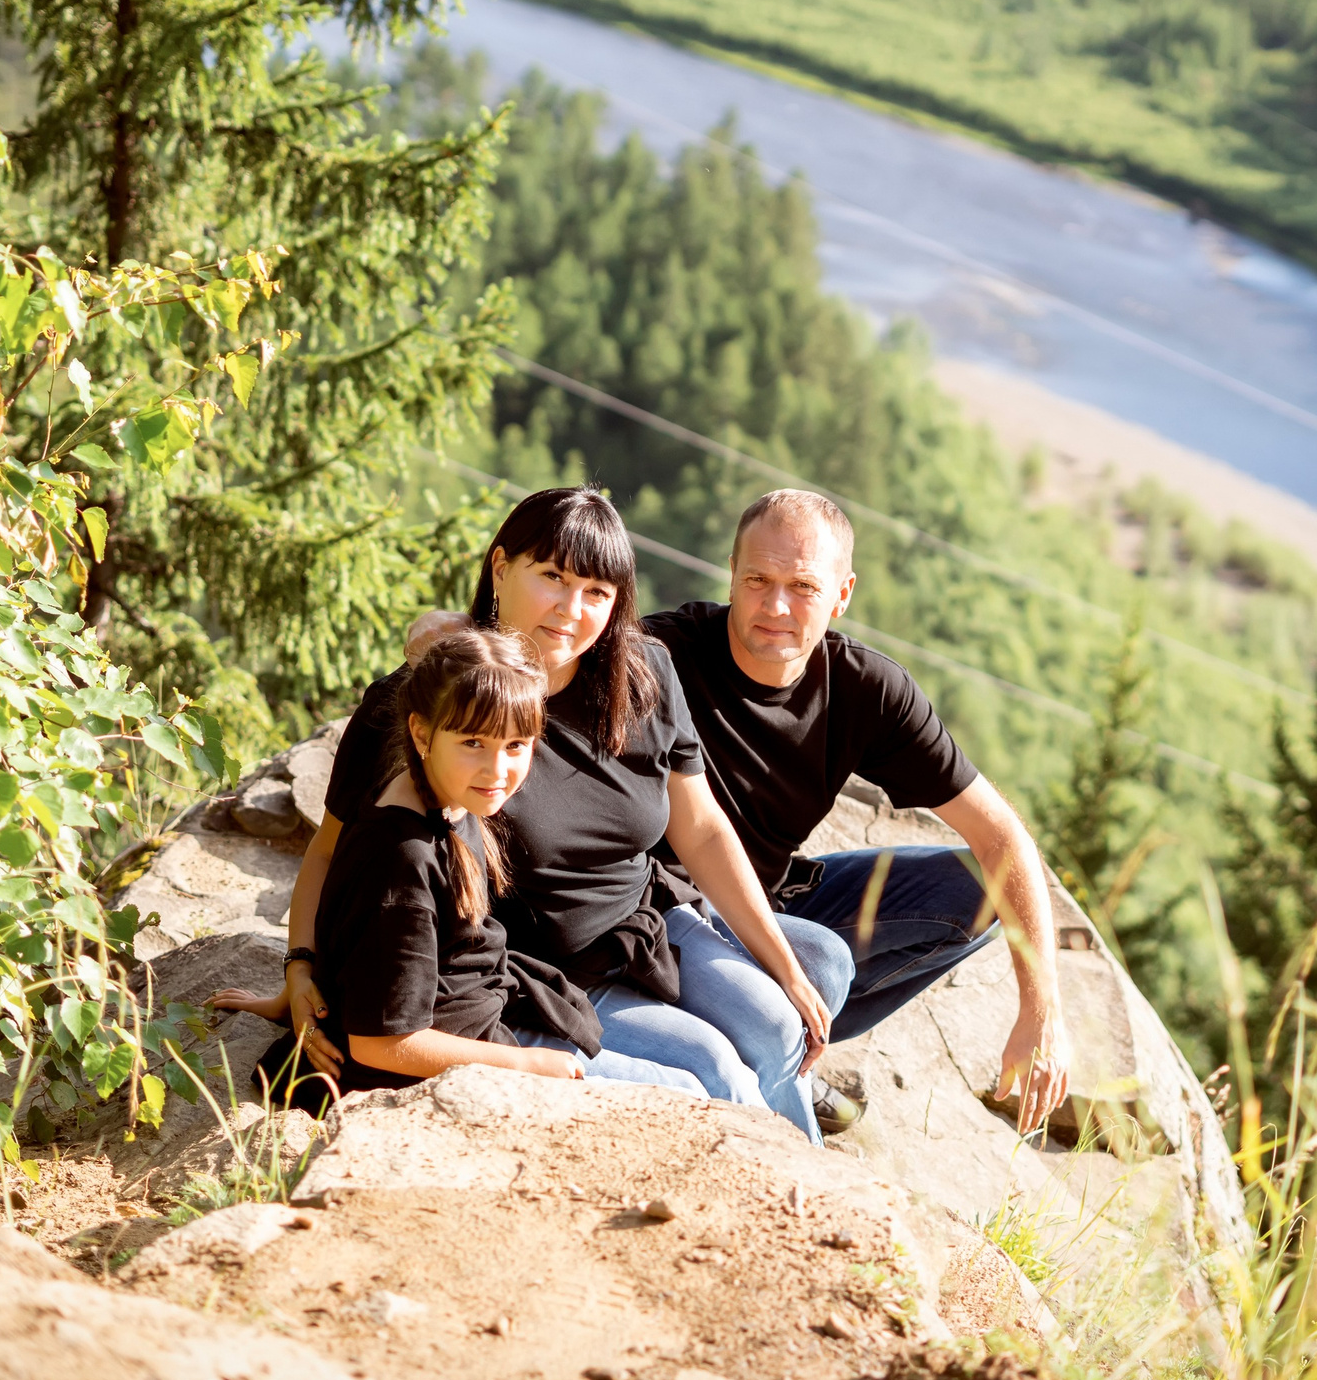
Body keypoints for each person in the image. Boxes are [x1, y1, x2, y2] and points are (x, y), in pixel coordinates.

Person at [244, 487, 853, 1142]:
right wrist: (300, 966)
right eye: (553, 579)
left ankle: (812, 1183)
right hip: (538, 972)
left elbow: (700, 827)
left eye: (596, 591)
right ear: (500, 569)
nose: (571, 611)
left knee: (783, 1016)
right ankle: (770, 1205)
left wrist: (781, 965)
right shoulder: (429, 708)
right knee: (712, 1067)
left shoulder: (643, 673)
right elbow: (336, 852)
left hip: (640, 930)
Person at [641, 489, 1072, 1135]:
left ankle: (786, 1045)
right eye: (757, 579)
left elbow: (1003, 838)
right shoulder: (658, 654)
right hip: (662, 912)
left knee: (980, 888)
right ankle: (773, 1060)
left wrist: (1043, 1009)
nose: (775, 606)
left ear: (842, 595)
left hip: (769, 901)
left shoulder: (867, 691)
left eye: (803, 587)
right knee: (822, 961)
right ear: (731, 571)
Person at [211, 622, 702, 1098]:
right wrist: (528, 1065)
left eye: (516, 746)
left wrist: (300, 990)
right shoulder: (402, 860)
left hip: (489, 1012)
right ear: (421, 735)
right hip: (452, 1055)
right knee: (687, 1091)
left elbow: (362, 948)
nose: (498, 769)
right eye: (473, 743)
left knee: (703, 1070)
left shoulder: (447, 797)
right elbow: (380, 1042)